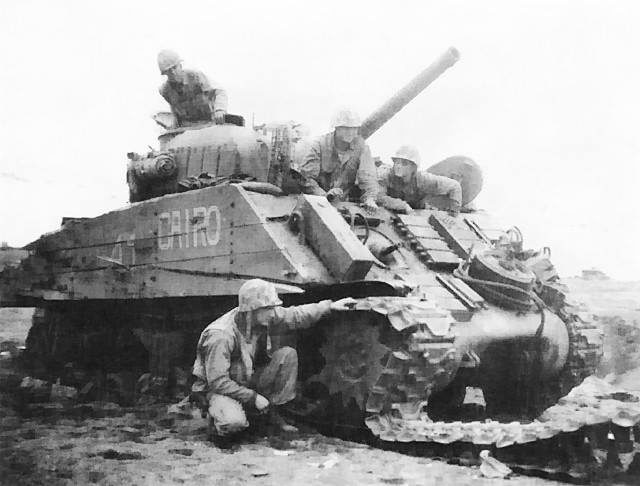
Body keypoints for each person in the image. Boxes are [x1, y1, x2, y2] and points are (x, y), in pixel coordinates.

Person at [190, 279, 355, 443]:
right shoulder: (220, 335)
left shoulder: (259, 316)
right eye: (268, 309)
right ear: (251, 310)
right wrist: (254, 398)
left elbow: (294, 315)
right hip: (218, 390)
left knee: (287, 355)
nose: (273, 313)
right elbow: (217, 382)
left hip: (245, 380)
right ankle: (216, 423)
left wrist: (329, 306)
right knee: (234, 423)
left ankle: (272, 415)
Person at [298, 108, 379, 211]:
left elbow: (368, 177)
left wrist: (370, 198)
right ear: (337, 128)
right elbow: (306, 178)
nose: (351, 132)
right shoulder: (320, 144)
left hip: (342, 204)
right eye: (346, 128)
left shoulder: (361, 147)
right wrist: (324, 195)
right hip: (315, 201)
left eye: (354, 129)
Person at [377, 145, 462, 214]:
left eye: (404, 164)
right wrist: (402, 205)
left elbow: (455, 186)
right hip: (389, 212)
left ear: (413, 167)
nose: (398, 166)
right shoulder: (385, 175)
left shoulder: (423, 179)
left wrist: (453, 213)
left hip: (417, 213)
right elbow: (379, 196)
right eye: (396, 162)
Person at [157, 49, 228, 127]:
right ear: (165, 74)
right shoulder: (165, 90)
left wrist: (220, 110)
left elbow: (219, 92)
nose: (173, 73)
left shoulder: (195, 77)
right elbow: (174, 110)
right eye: (169, 71)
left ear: (180, 66)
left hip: (210, 122)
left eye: (174, 68)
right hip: (189, 128)